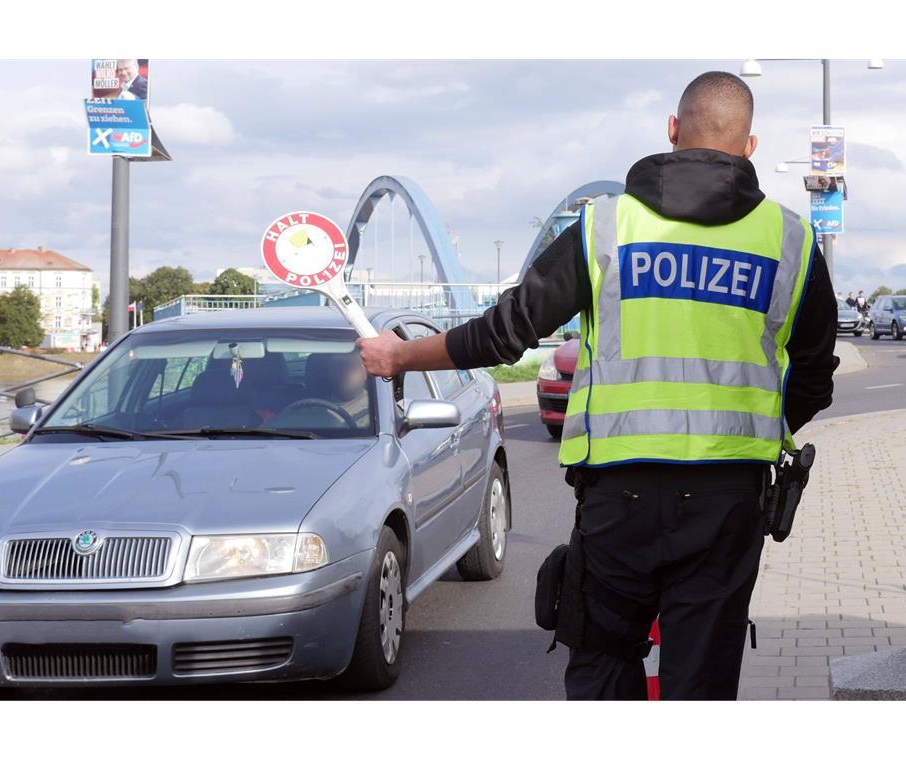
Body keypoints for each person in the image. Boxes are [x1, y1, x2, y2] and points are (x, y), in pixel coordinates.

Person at [356, 71, 838, 700]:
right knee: (703, 680)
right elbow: (814, 377)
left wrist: (400, 356)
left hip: (620, 497)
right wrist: (755, 432)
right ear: (749, 147)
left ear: (672, 132)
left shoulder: (604, 227)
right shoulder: (792, 242)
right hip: (727, 499)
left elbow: (507, 332)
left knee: (604, 664)